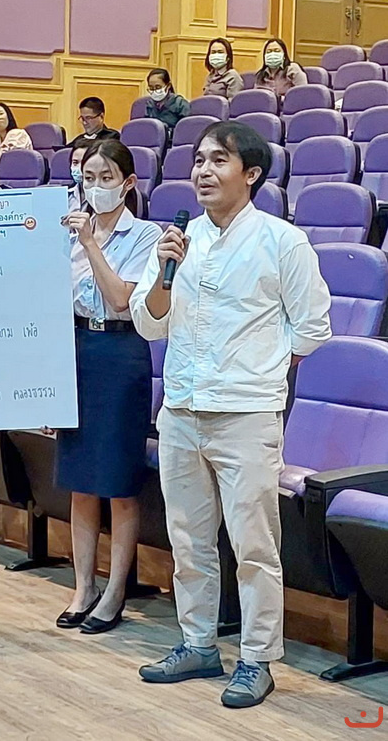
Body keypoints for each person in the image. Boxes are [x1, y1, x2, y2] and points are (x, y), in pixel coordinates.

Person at [131, 121, 331, 708]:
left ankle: (256, 658)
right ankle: (197, 644)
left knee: (253, 545)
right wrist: (164, 271)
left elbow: (313, 327)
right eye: (198, 160)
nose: (203, 170)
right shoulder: (177, 241)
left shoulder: (282, 242)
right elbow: (149, 322)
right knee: (188, 540)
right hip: (182, 409)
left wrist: (261, 370)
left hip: (246, 415)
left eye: (218, 160)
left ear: (252, 174)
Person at [54, 139, 162, 634]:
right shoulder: (67, 234)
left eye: (106, 178)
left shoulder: (145, 235)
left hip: (122, 353)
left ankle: (116, 589)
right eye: (89, 178)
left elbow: (121, 298)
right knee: (80, 481)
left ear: (128, 183)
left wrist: (91, 245)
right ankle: (84, 586)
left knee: (118, 482)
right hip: (77, 350)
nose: (96, 187)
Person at [68, 138, 93, 213]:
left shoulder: (104, 197)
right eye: (75, 162)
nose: (79, 167)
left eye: (84, 162)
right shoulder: (65, 194)